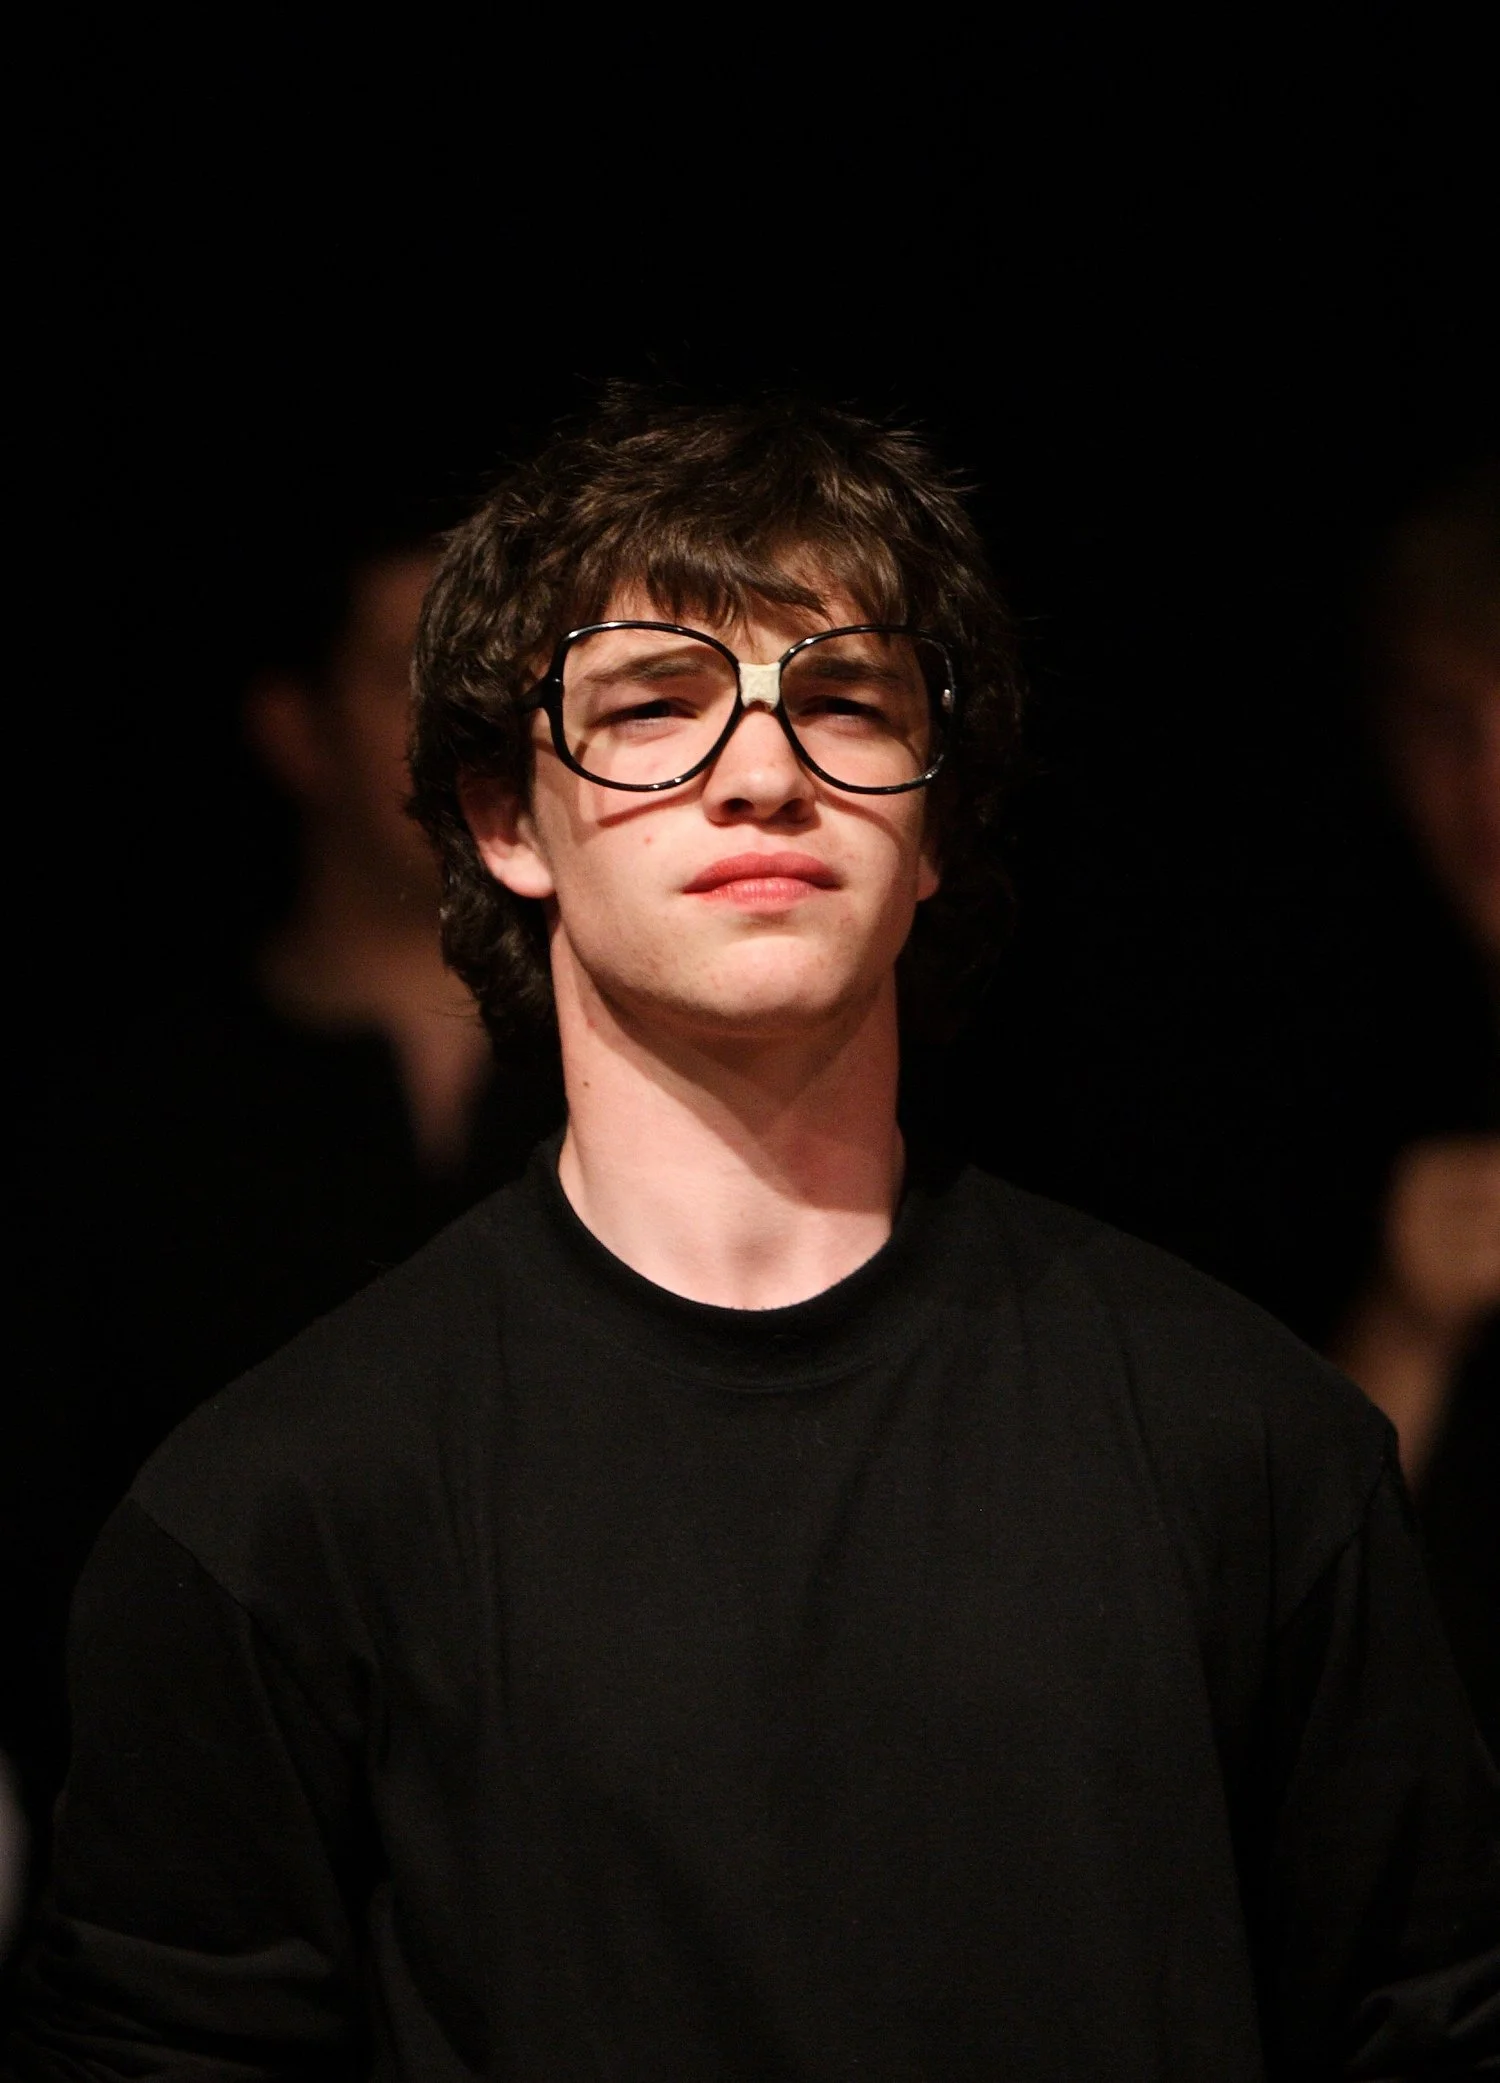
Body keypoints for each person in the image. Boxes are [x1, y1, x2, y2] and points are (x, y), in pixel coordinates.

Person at [7, 392, 1497, 2080]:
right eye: (657, 702)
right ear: (506, 820)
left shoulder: (1249, 1443)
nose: (766, 772)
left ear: (930, 827)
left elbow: (1429, 2021)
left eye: (847, 698)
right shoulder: (273, 1514)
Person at [3, 523, 562, 1923]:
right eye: (407, 673)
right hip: (217, 1874)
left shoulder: (644, 1097)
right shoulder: (126, 1123)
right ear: (294, 728)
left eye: (504, 674)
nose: (464, 722)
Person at [1332, 461, 1500, 1753]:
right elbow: (1292, 1606)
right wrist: (1406, 1325)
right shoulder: (1368, 1057)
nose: (1491, 791)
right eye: (1449, 725)